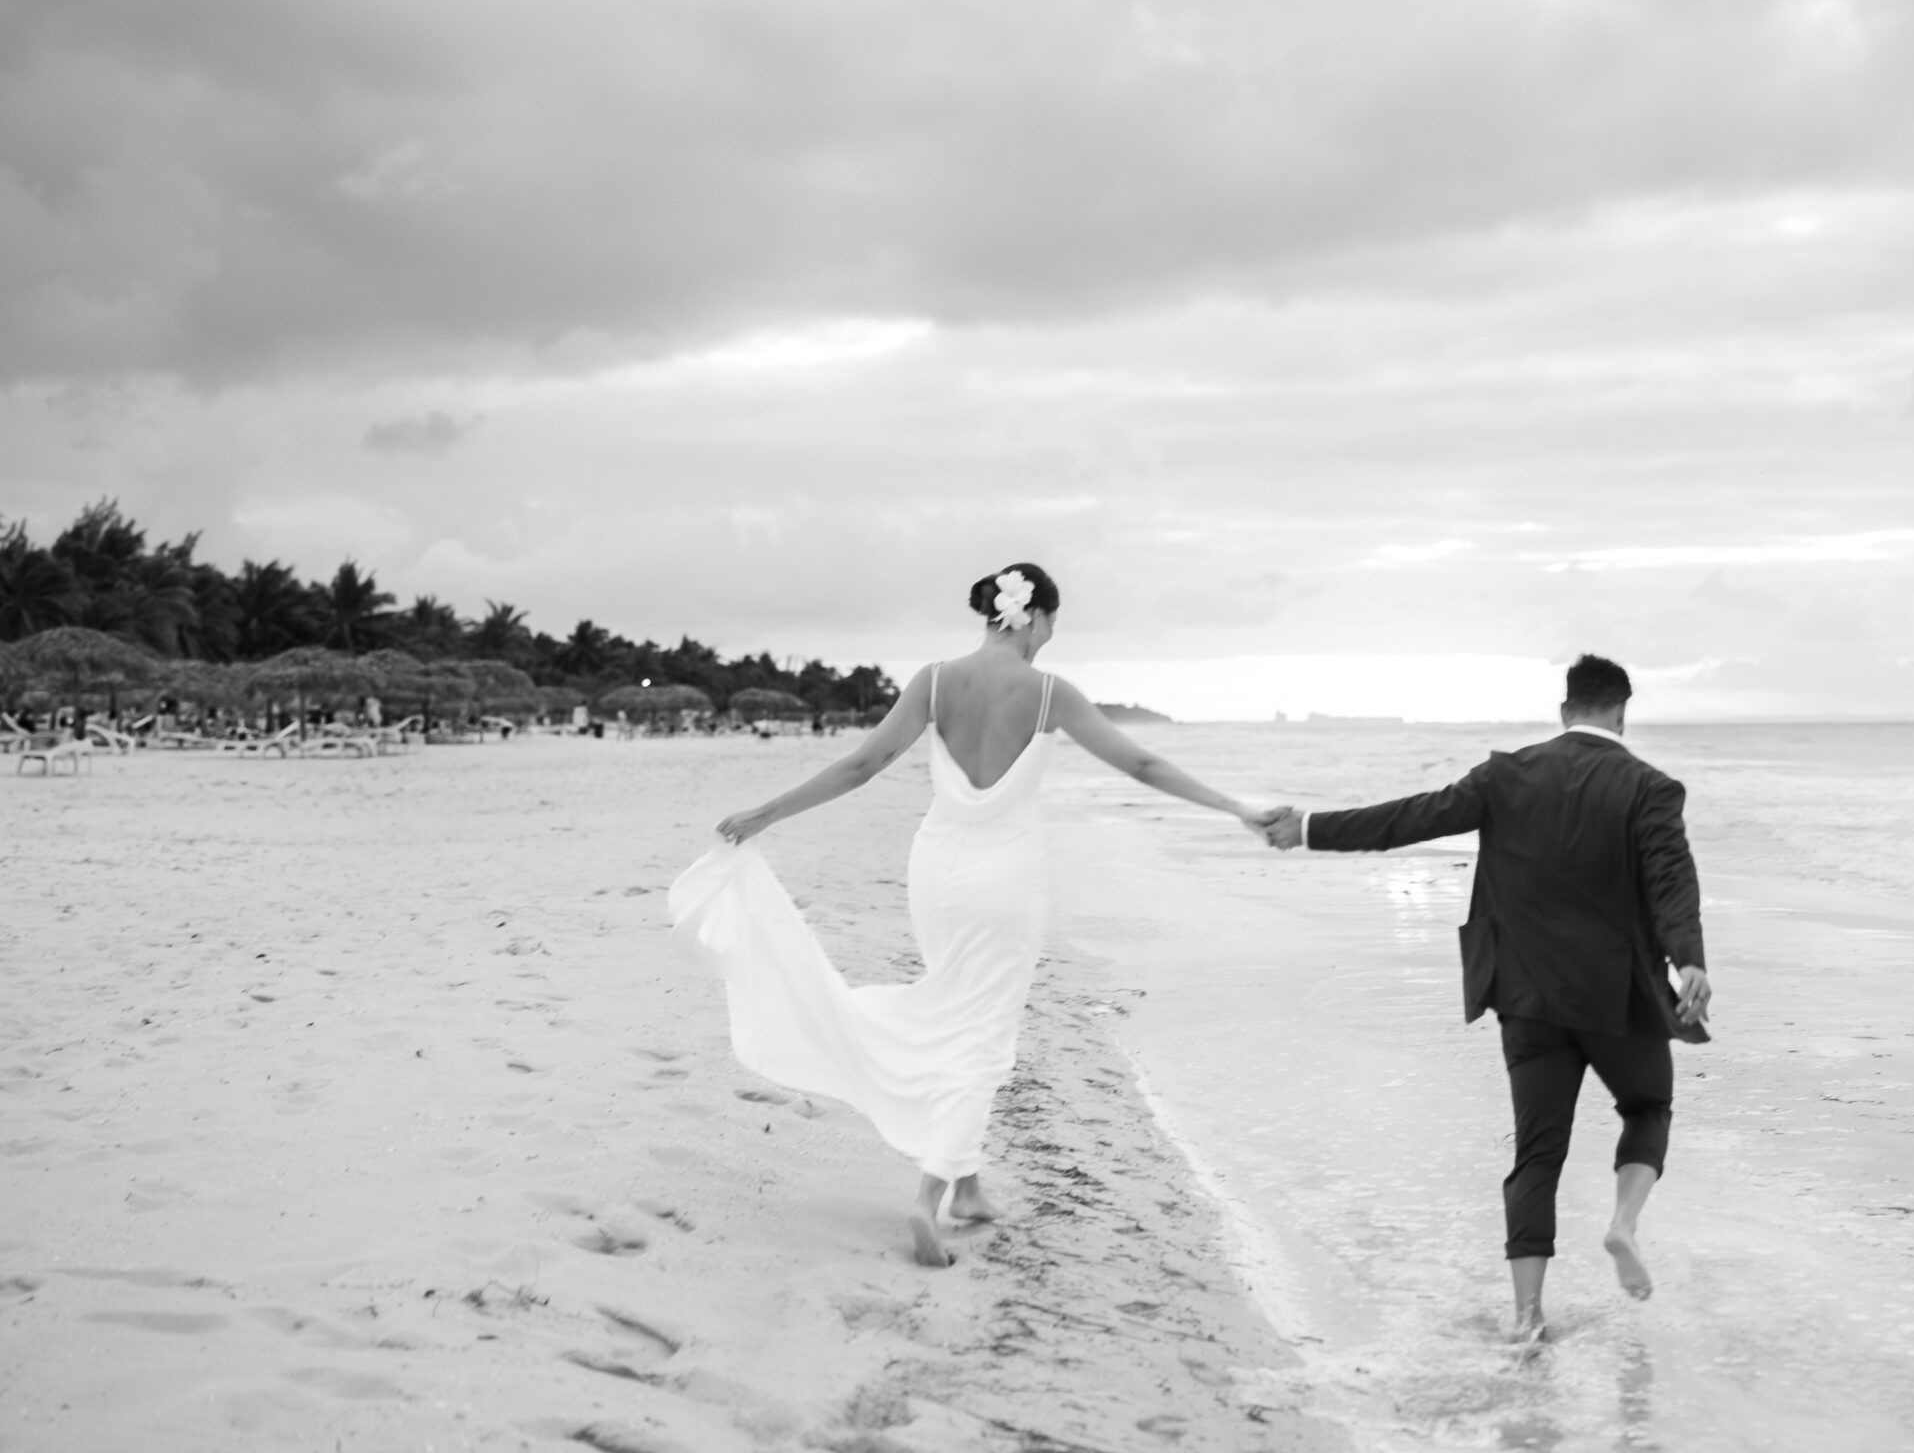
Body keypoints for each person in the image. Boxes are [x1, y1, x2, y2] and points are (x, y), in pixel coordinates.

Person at [683, 563, 1283, 1267]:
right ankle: (928, 1195)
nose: (1051, 636)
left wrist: (764, 814)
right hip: (1006, 880)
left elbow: (860, 765)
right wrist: (1238, 808)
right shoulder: (1049, 692)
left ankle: (968, 1187)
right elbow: (1143, 767)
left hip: (936, 870)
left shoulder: (934, 680)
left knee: (958, 1006)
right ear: (1033, 616)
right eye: (1053, 623)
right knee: (983, 1029)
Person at [1259, 654, 1710, 1343]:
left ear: (1565, 711)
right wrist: (1689, 961)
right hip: (1616, 997)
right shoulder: (1651, 787)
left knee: (1537, 1152)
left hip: (1525, 994)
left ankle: (1528, 1317)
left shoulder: (1507, 773)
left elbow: (1411, 818)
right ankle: (1622, 1224)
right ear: (1622, 712)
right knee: (1648, 1105)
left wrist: (1309, 827)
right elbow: (1671, 879)